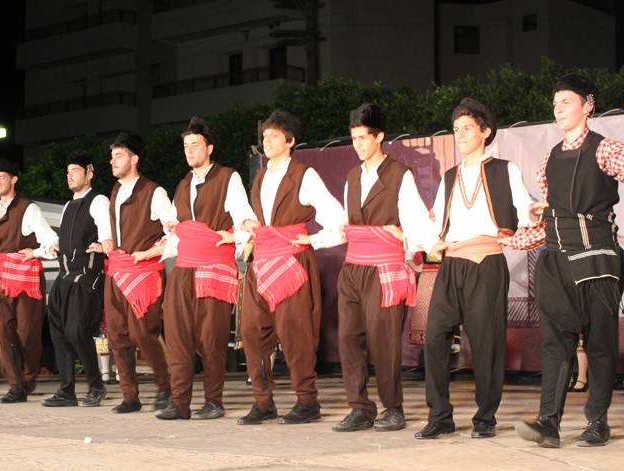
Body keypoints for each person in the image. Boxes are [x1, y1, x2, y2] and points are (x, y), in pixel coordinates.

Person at [510, 74, 624, 447]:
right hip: (555, 262)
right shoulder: (549, 158)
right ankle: (548, 423)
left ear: (588, 106)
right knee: (555, 343)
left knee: (599, 343)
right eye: (555, 103)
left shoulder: (603, 148)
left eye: (566, 101)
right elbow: (551, 213)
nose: (558, 109)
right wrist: (517, 233)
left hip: (596, 259)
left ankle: (597, 422)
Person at [416, 98, 538, 440]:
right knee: (435, 337)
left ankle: (485, 418)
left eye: (467, 128)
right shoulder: (449, 176)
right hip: (451, 262)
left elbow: (525, 210)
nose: (460, 135)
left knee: (487, 342)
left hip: (486, 261)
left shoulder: (504, 169)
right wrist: (428, 242)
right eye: (456, 129)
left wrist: (534, 214)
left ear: (485, 132)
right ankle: (440, 415)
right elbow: (437, 222)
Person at [238, 110, 346, 425]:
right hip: (262, 261)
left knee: (296, 333)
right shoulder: (261, 176)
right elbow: (259, 217)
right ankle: (262, 402)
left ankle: (307, 401)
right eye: (265, 137)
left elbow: (338, 219)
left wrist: (312, 240)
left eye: (274, 136)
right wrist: (248, 224)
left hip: (292, 261)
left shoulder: (303, 174)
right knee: (251, 331)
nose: (267, 141)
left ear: (290, 141)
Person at [333, 103, 430, 433]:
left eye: (363, 138)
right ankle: (359, 407)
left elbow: (416, 223)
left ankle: (393, 407)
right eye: (354, 139)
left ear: (379, 137)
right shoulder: (352, 177)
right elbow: (346, 222)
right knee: (349, 337)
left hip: (384, 267)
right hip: (353, 268)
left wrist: (406, 243)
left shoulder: (399, 174)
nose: (358, 144)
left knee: (383, 340)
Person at [155, 116, 256, 420]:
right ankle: (179, 402)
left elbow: (243, 217)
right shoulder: (183, 184)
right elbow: (175, 230)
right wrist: (167, 236)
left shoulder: (227, 177)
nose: (190, 150)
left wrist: (235, 236)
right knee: (177, 335)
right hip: (184, 268)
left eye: (195, 145)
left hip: (213, 267)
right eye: (186, 145)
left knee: (211, 337)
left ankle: (214, 400)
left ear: (209, 148)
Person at [104, 132, 176, 413]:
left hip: (144, 272)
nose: (113, 161)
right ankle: (129, 396)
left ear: (134, 159)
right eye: (112, 156)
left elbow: (174, 232)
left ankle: (166, 386)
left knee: (143, 333)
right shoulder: (115, 191)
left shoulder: (153, 192)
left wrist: (148, 253)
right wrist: (106, 241)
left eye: (119, 156)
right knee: (117, 335)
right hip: (117, 271)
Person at [42, 151, 112, 407]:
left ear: (89, 173)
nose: (69, 175)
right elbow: (66, 239)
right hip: (64, 276)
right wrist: (53, 247)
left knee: (76, 330)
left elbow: (108, 233)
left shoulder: (98, 200)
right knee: (58, 332)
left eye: (75, 171)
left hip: (87, 276)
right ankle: (67, 390)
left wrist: (104, 245)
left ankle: (96, 385)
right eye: (68, 171)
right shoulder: (68, 206)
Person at [0, 159, 58, 403]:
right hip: (3, 279)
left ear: (14, 179)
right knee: (4, 334)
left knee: (27, 334)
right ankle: (15, 386)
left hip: (27, 280)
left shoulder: (28, 209)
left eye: (2, 178)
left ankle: (28, 377)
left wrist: (34, 252)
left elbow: (52, 242)